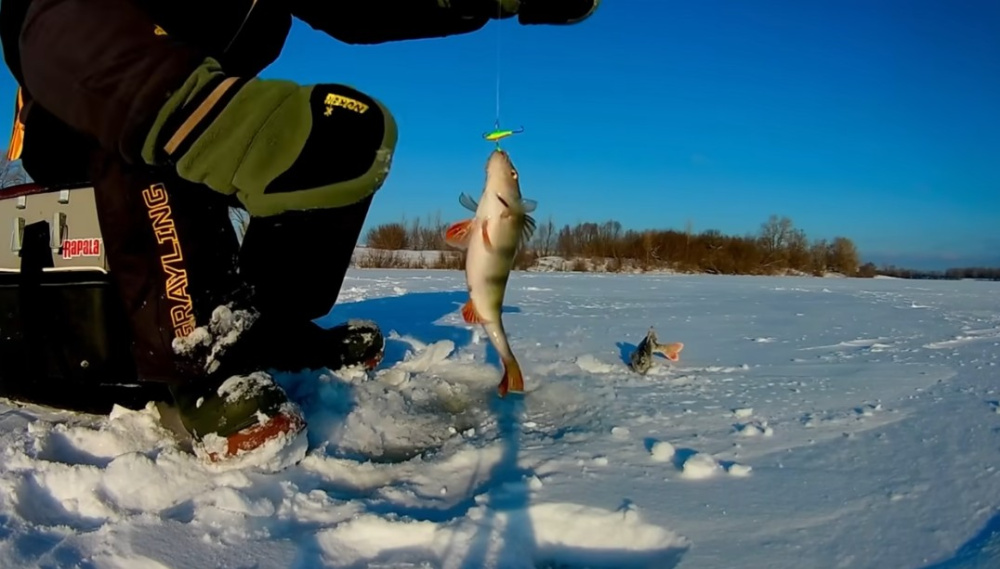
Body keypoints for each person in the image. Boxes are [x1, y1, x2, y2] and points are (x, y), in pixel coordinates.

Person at [0, 0, 601, 465]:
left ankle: (271, 327)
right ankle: (203, 362)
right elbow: (47, 17)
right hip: (100, 120)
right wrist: (199, 114)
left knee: (345, 133)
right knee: (152, 150)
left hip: (207, 115)